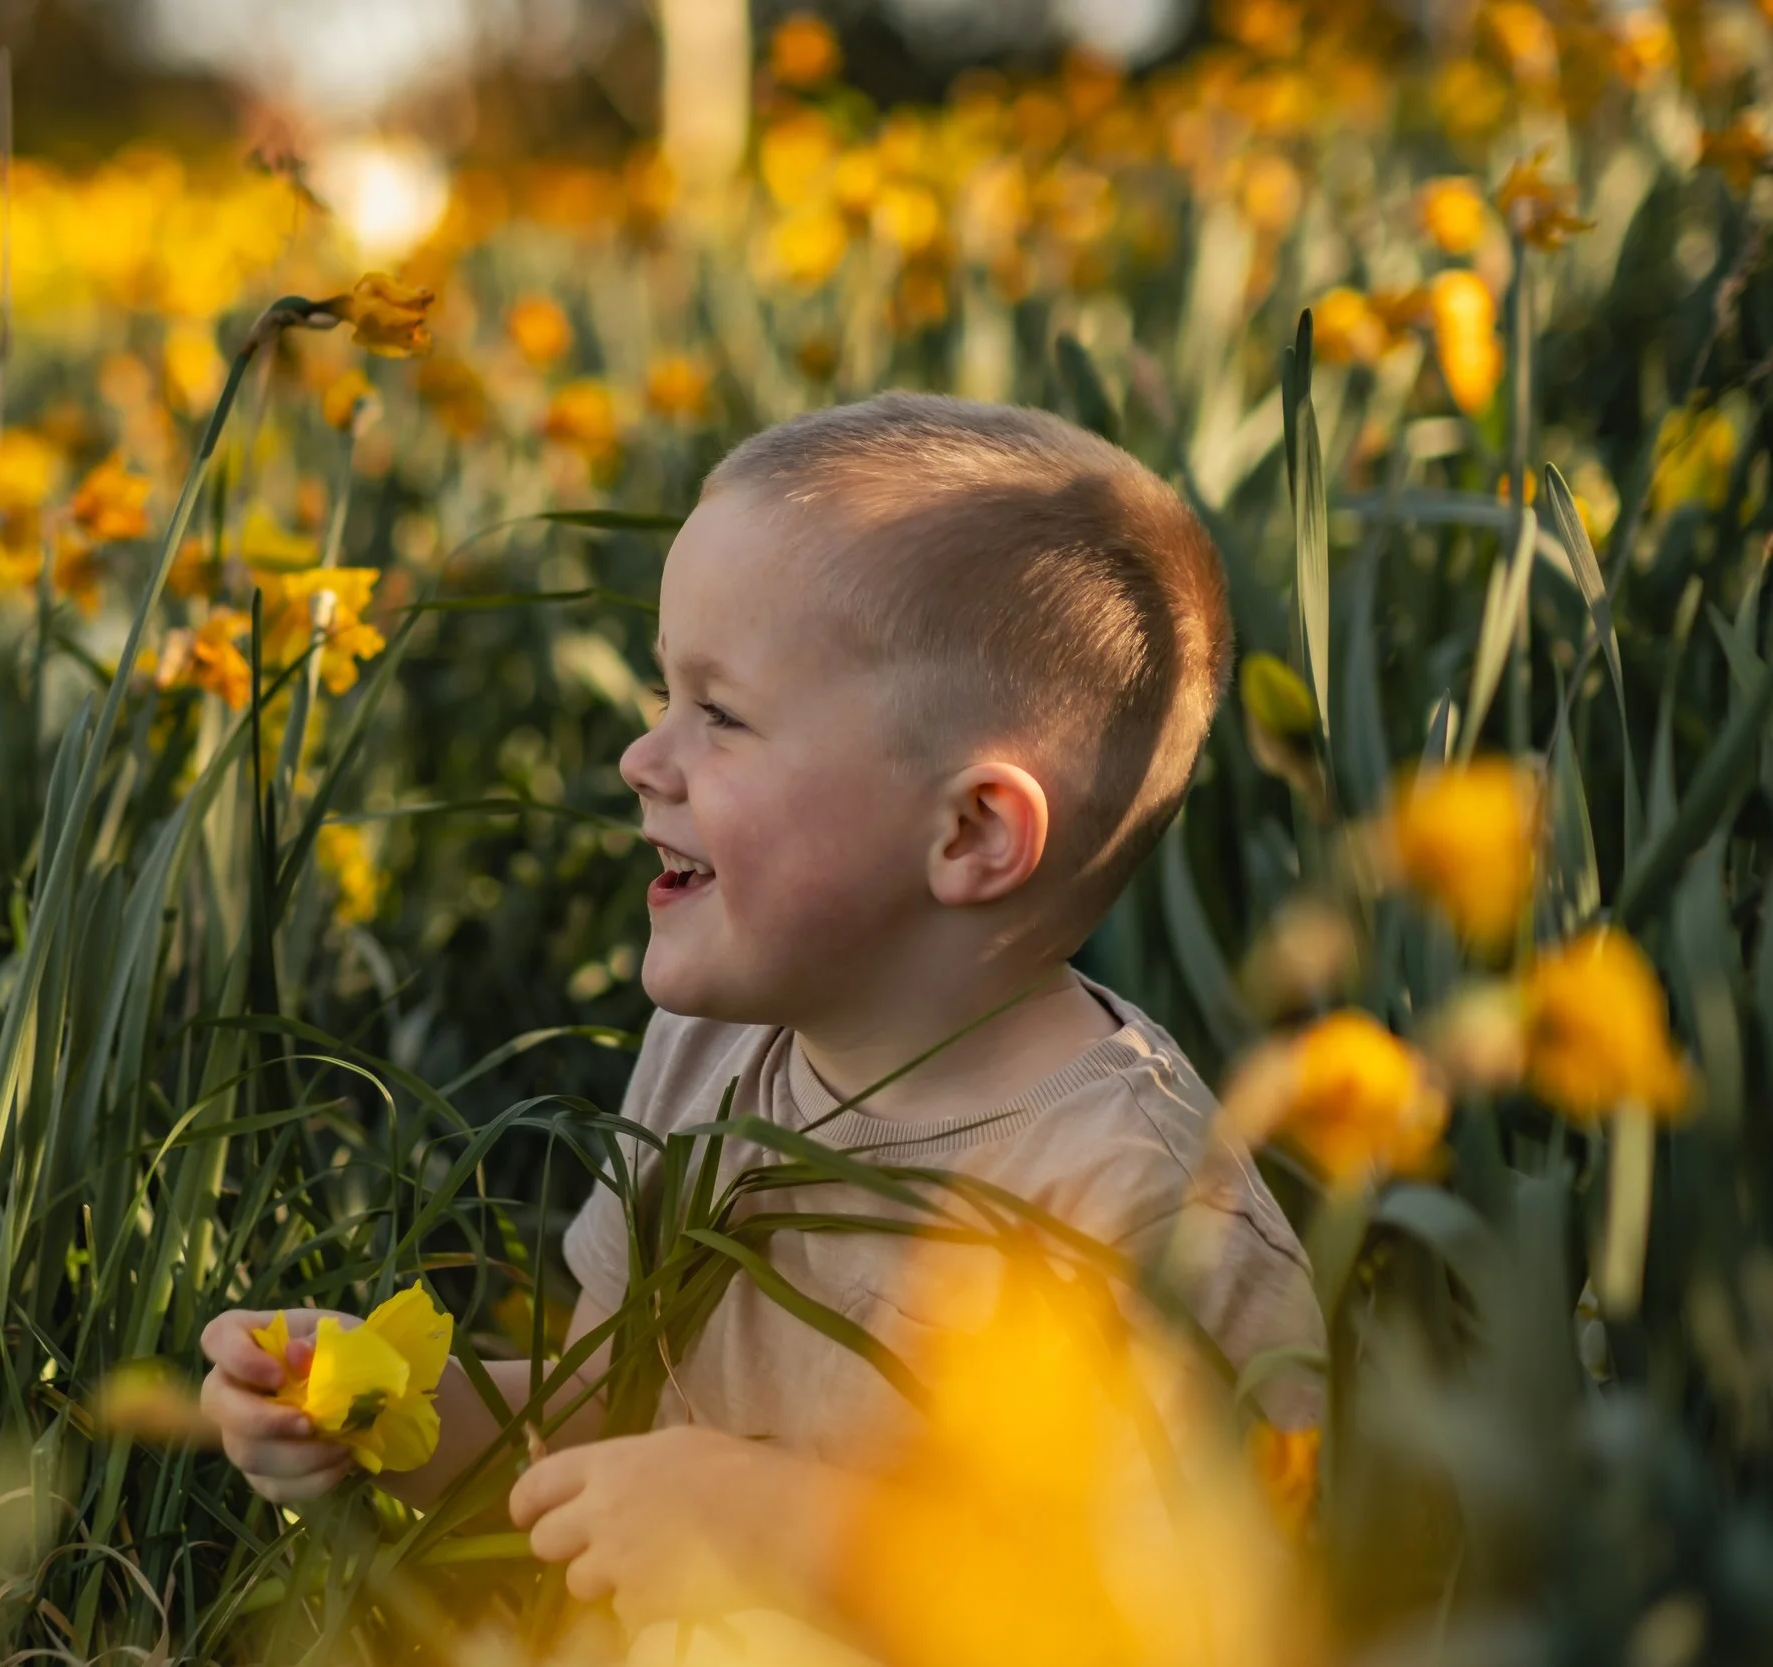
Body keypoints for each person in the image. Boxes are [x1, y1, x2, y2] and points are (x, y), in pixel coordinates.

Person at [197, 393, 1325, 1634]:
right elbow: (605, 1411)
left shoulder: (1138, 1207)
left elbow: (1191, 1615)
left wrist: (793, 1530)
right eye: (661, 694)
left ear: (969, 831)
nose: (641, 758)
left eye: (719, 714)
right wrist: (379, 1411)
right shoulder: (715, 1052)